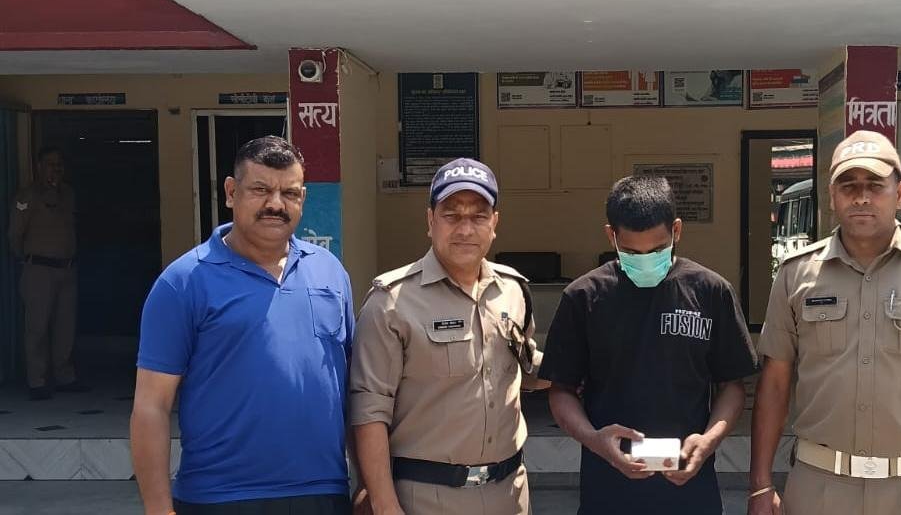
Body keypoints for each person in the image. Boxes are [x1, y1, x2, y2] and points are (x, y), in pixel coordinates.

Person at [749, 130, 901, 515]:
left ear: (899, 194)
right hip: (819, 489)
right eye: (848, 186)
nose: (861, 197)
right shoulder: (796, 274)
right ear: (831, 196)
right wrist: (760, 485)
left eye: (875, 185)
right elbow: (775, 381)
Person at [131, 136, 355, 515]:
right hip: (220, 496)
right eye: (261, 190)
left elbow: (353, 391)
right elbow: (152, 405)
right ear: (231, 193)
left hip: (324, 492)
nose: (276, 204)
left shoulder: (330, 272)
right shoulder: (183, 282)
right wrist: (158, 509)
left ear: (303, 198)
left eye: (290, 193)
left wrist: (367, 485)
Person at [539, 175, 758, 515]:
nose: (644, 260)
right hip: (608, 492)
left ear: (676, 231)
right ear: (611, 235)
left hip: (691, 492)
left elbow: (731, 385)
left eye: (657, 250)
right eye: (631, 252)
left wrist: (708, 441)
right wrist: (595, 440)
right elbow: (561, 390)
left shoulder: (711, 292)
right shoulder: (584, 298)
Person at [350, 157, 547, 515]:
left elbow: (523, 368)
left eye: (478, 216)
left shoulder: (513, 291)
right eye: (452, 215)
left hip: (509, 493)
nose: (465, 229)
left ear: (494, 223)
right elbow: (369, 410)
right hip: (426, 498)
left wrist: (588, 366)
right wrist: (384, 504)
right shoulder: (391, 302)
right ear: (430, 221)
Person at [8, 146, 87, 401]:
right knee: (37, 327)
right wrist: (26, 259)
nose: (56, 169)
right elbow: (15, 235)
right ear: (39, 167)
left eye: (59, 164)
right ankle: (37, 380)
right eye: (51, 164)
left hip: (67, 269)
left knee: (65, 326)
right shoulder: (28, 196)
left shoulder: (69, 194)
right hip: (39, 270)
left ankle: (65, 376)